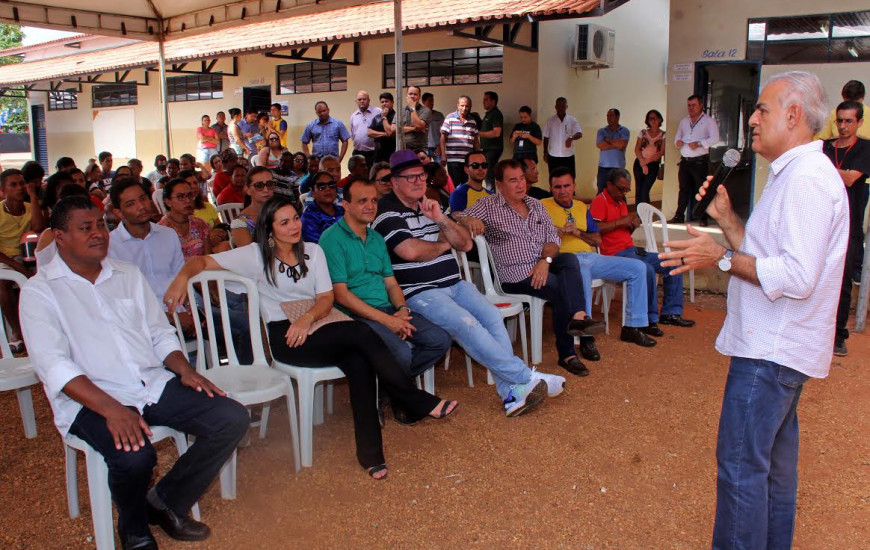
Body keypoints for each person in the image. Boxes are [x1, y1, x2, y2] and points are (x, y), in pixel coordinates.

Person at [658, 71, 848, 550]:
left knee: (742, 467)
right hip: (780, 348)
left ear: (793, 115)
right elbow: (770, 257)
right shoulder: (797, 174)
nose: (753, 119)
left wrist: (718, 257)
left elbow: (798, 278)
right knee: (770, 471)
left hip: (771, 350)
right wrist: (728, 222)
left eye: (762, 109)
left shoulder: (805, 181)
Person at [165, 194, 457, 480]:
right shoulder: (254, 255)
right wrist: (180, 279)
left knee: (358, 360)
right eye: (284, 223)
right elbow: (201, 263)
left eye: (295, 218)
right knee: (361, 333)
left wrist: (307, 319)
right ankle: (413, 398)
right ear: (269, 228)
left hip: (318, 323)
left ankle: (371, 454)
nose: (294, 226)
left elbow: (326, 298)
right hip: (286, 336)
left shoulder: (313, 251)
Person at [20, 196, 249, 549]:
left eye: (100, 225)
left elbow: (159, 332)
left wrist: (184, 369)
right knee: (135, 455)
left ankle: (165, 501)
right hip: (90, 398)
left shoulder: (126, 274)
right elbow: (54, 365)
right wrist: (112, 410)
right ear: (61, 237)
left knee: (230, 417)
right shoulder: (40, 291)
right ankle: (134, 528)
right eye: (86, 228)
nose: (98, 233)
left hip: (150, 383)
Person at [372, 150, 564, 417]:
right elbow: (410, 251)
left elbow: (465, 243)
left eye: (421, 175)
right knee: (468, 325)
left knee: (492, 317)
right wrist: (443, 243)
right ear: (394, 181)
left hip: (455, 284)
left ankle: (511, 394)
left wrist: (439, 218)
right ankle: (525, 377)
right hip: (421, 292)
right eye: (410, 177)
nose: (418, 182)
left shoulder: (430, 203)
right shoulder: (387, 211)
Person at [458, 159, 606, 376]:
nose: (520, 185)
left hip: (541, 264)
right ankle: (567, 353)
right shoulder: (488, 206)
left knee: (570, 261)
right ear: (499, 185)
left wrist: (544, 262)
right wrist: (467, 219)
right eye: (512, 181)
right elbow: (455, 215)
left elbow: (553, 240)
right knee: (559, 287)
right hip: (514, 274)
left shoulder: (536, 204)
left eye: (521, 179)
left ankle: (579, 316)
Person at [320, 177, 451, 378]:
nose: (370, 206)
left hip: (387, 308)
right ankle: (398, 389)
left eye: (373, 200)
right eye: (362, 201)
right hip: (354, 315)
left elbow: (390, 283)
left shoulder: (376, 238)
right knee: (401, 352)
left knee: (439, 340)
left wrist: (401, 310)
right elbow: (341, 295)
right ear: (345, 205)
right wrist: (387, 321)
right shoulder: (331, 239)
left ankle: (388, 385)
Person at [542, 167, 659, 351]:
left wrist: (578, 232)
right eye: (557, 187)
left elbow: (597, 240)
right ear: (551, 188)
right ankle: (586, 334)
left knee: (638, 268)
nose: (562, 190)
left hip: (591, 256)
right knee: (581, 271)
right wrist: (550, 231)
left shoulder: (581, 207)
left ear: (574, 186)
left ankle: (632, 326)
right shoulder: (541, 206)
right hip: (564, 260)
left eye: (566, 185)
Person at [592, 169, 695, 329]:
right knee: (645, 269)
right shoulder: (601, 201)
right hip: (613, 255)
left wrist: (631, 226)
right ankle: (648, 318)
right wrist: (621, 221)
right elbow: (594, 229)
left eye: (627, 190)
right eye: (621, 189)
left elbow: (623, 232)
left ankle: (671, 313)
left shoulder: (620, 201)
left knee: (673, 262)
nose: (624, 193)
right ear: (609, 185)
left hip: (630, 249)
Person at [822, 100, 870, 357]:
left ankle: (838, 336)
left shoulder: (865, 148)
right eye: (839, 120)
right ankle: (815, 331)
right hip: (820, 223)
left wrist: (823, 168)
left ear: (859, 122)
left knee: (842, 282)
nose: (842, 126)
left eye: (849, 121)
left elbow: (852, 178)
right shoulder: (823, 147)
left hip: (848, 227)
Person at [0, 168, 46, 353]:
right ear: (3, 190)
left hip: (29, 255)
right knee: (3, 284)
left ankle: (41, 328)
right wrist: (17, 266)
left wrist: (33, 196)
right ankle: (15, 331)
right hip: (5, 258)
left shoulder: (30, 207)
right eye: (13, 185)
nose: (19, 188)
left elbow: (38, 227)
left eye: (22, 184)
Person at [671, 94, 720, 226]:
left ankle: (703, 217)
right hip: (685, 161)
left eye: (694, 105)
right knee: (683, 189)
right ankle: (679, 216)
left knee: (702, 189)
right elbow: (676, 138)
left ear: (701, 105)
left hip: (699, 161)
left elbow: (715, 138)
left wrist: (699, 143)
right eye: (689, 105)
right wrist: (678, 142)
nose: (691, 108)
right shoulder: (684, 121)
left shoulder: (709, 121)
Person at [159, 179, 213, 260]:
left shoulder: (200, 224)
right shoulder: (161, 231)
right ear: (168, 202)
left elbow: (208, 258)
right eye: (180, 197)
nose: (188, 200)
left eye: (190, 195)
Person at [230, 166, 276, 248]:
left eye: (269, 184)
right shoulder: (241, 223)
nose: (266, 190)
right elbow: (250, 257)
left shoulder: (282, 212)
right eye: (259, 185)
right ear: (248, 190)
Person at [440, 95, 479, 186]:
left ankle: (464, 201)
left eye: (467, 106)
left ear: (470, 107)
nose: (464, 108)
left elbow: (476, 140)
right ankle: (453, 201)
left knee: (466, 185)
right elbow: (442, 137)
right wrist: (443, 155)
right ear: (458, 106)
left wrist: (479, 154)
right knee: (454, 185)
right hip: (454, 160)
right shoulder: (450, 118)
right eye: (462, 105)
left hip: (467, 161)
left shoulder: (472, 121)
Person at [542, 97, 583, 179]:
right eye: (558, 106)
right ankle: (553, 193)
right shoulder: (550, 120)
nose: (560, 108)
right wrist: (545, 152)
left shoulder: (572, 120)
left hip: (568, 157)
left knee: (570, 179)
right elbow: (546, 136)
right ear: (555, 107)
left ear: (566, 107)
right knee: (554, 179)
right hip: (553, 157)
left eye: (563, 106)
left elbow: (579, 133)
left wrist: (571, 138)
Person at [632, 109, 666, 205]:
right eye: (650, 118)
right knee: (638, 190)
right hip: (639, 163)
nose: (653, 120)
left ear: (659, 119)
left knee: (644, 190)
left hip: (653, 165)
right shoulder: (642, 133)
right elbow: (637, 149)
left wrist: (646, 162)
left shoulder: (663, 135)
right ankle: (639, 216)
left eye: (655, 118)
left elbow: (661, 152)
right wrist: (643, 163)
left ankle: (646, 214)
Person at [301, 171, 343, 243]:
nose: (328, 189)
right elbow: (319, 246)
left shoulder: (343, 211)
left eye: (331, 185)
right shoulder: (309, 218)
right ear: (313, 192)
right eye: (321, 186)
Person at [595, 108, 630, 194]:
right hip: (603, 167)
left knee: (619, 192)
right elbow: (600, 145)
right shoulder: (601, 131)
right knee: (601, 191)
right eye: (607, 116)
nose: (608, 118)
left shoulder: (624, 130)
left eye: (611, 115)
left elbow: (622, 144)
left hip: (618, 167)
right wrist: (616, 144)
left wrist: (608, 140)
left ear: (617, 117)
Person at [477, 91, 504, 185]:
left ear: (493, 101)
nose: (483, 101)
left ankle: (490, 196)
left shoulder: (496, 114)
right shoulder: (488, 114)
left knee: (488, 173)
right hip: (486, 148)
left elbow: (496, 133)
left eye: (486, 99)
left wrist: (479, 134)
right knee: (487, 173)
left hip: (493, 148)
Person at [349, 91, 380, 168]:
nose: (362, 101)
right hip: (358, 153)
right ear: (356, 101)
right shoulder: (353, 116)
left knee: (372, 175)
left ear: (369, 100)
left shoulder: (378, 112)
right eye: (359, 99)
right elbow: (353, 135)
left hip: (373, 153)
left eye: (364, 99)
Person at [400, 86, 431, 154]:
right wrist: (413, 128)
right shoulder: (401, 111)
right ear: (406, 96)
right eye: (410, 94)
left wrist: (412, 108)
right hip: (403, 149)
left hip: (420, 150)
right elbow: (394, 129)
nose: (412, 96)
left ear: (419, 96)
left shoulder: (426, 110)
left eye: (415, 94)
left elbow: (418, 125)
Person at [368, 92, 396, 164]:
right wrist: (384, 134)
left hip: (392, 153)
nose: (384, 104)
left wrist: (384, 117)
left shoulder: (396, 116)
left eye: (386, 101)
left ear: (392, 102)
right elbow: (369, 132)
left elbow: (390, 132)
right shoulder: (377, 117)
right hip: (378, 154)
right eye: (382, 102)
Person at [422, 92, 444, 163]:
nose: (432, 103)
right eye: (429, 100)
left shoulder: (439, 115)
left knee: (438, 168)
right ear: (423, 102)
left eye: (433, 100)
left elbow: (443, 132)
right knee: (425, 168)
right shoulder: (419, 115)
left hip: (436, 147)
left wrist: (440, 146)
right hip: (424, 147)